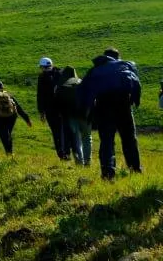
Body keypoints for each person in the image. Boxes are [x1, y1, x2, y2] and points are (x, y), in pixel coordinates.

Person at [78, 48, 142, 180]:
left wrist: (88, 110)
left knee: (107, 141)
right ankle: (135, 169)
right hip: (124, 106)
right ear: (117, 57)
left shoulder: (95, 70)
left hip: (104, 107)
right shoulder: (124, 65)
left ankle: (108, 174)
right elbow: (136, 83)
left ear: (104, 57)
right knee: (129, 139)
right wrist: (134, 100)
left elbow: (82, 91)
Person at [0, 81, 33, 154]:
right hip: (11, 118)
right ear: (2, 87)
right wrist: (27, 119)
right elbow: (18, 107)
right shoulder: (8, 95)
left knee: (4, 136)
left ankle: (8, 153)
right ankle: (10, 152)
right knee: (8, 135)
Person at [55, 66, 92, 166]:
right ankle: (87, 161)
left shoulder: (62, 86)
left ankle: (79, 161)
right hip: (85, 115)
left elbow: (58, 104)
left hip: (71, 117)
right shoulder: (82, 83)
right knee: (87, 138)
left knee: (77, 139)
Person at [37, 57, 70, 161]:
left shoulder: (42, 77)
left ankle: (61, 154)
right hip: (63, 109)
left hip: (50, 110)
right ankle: (67, 153)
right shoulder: (60, 73)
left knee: (56, 133)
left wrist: (41, 112)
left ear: (42, 67)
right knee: (64, 131)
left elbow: (40, 95)